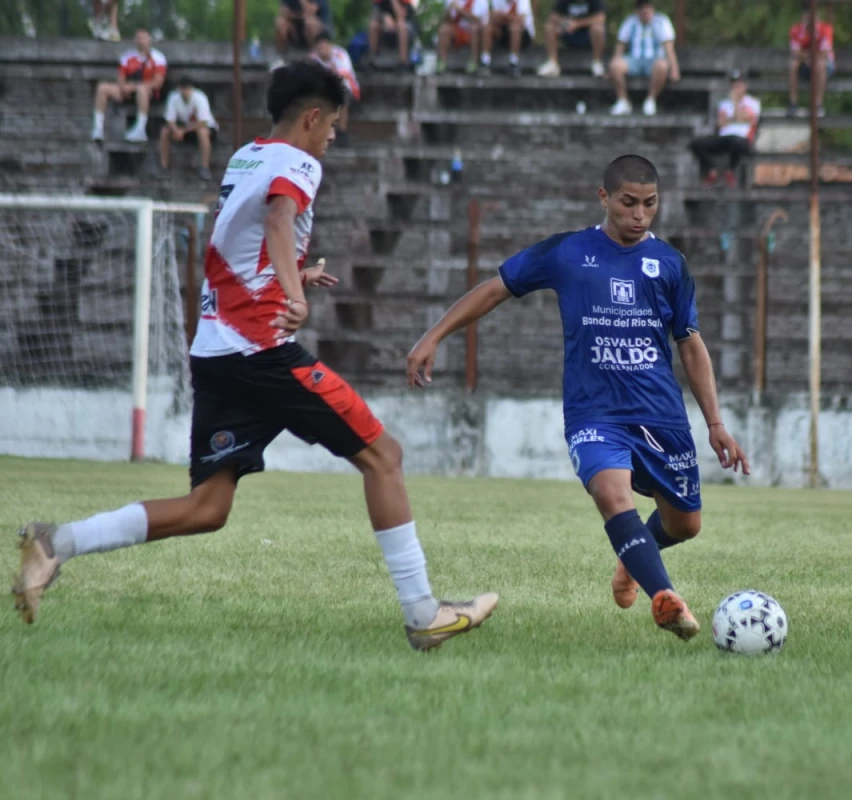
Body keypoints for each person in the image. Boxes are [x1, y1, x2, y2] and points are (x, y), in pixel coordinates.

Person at [15, 61, 499, 652]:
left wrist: (296, 271)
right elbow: (277, 216)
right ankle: (422, 613)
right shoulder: (300, 162)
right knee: (384, 456)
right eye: (334, 126)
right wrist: (294, 296)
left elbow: (238, 241)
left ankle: (54, 543)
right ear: (313, 117)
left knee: (207, 507)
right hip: (261, 351)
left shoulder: (247, 154)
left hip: (216, 350)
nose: (333, 137)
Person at [406, 155, 750, 642]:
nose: (639, 215)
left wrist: (715, 423)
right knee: (612, 495)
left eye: (650, 205)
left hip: (660, 413)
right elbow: (494, 289)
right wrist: (434, 335)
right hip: (595, 412)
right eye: (628, 203)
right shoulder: (568, 252)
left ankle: (631, 559)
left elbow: (690, 345)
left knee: (686, 524)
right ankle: (666, 599)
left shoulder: (670, 264)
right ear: (604, 197)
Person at [91, 29, 167, 144]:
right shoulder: (127, 56)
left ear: (149, 39)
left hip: (148, 94)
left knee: (142, 90)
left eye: (144, 38)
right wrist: (123, 87)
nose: (141, 41)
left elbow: (157, 82)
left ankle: (140, 129)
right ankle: (98, 128)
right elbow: (120, 77)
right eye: (138, 38)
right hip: (127, 91)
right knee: (103, 87)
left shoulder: (158, 57)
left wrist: (134, 87)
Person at [689, 69, 761, 187]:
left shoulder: (753, 103)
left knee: (737, 143)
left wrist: (736, 104)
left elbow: (746, 119)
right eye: (734, 84)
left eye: (739, 84)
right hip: (724, 137)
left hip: (742, 139)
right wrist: (737, 117)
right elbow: (722, 123)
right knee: (696, 143)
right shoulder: (724, 103)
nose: (736, 87)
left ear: (745, 85)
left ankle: (730, 170)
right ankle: (712, 169)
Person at [609, 0, 679, 117]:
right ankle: (623, 100)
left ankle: (650, 100)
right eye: (643, 12)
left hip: (655, 61)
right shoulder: (630, 22)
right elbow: (620, 46)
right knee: (615, 66)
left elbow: (669, 48)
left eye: (648, 11)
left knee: (662, 65)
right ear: (637, 12)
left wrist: (674, 69)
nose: (646, 15)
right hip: (634, 60)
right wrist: (612, 65)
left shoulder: (661, 21)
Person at [159, 77, 219, 180]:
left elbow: (203, 122)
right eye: (183, 88)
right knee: (164, 131)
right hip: (185, 129)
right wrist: (176, 131)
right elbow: (169, 119)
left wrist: (183, 131)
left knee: (202, 132)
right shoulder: (173, 97)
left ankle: (204, 167)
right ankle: (164, 167)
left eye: (187, 88)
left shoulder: (200, 97)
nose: (185, 91)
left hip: (205, 128)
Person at [537, 0, 607, 78]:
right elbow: (553, 16)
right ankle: (553, 63)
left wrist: (577, 24)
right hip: (569, 33)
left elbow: (601, 18)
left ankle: (597, 63)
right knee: (550, 26)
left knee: (598, 28)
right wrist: (565, 23)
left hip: (588, 36)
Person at [311, 32, 360, 141]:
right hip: (324, 89)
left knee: (341, 94)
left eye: (324, 46)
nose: (322, 49)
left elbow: (344, 75)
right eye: (319, 47)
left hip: (348, 88)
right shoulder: (313, 58)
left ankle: (342, 131)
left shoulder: (340, 54)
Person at [789, 11, 835, 118]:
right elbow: (795, 52)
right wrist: (807, 58)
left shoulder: (825, 30)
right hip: (806, 65)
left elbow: (824, 53)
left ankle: (818, 104)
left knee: (820, 64)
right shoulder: (796, 30)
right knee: (793, 64)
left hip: (824, 66)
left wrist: (809, 57)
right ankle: (793, 102)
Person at [481, 0, 535, 76]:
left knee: (515, 27)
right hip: (504, 33)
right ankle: (485, 62)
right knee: (488, 28)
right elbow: (492, 17)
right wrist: (504, 18)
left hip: (523, 36)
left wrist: (503, 17)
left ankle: (513, 63)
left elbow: (520, 20)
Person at [437, 0, 488, 74]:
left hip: (475, 32)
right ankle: (442, 62)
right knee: (443, 29)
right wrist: (448, 10)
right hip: (457, 31)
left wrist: (460, 10)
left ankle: (474, 62)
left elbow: (476, 20)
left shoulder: (480, 2)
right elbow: (446, 21)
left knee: (474, 28)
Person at [274, 0, 332, 64]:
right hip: (297, 26)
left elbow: (310, 12)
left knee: (310, 22)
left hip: (320, 29)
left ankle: (313, 57)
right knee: (280, 22)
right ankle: (282, 57)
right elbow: (284, 12)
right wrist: (298, 17)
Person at [368, 0, 414, 70]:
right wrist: (384, 17)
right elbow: (375, 15)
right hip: (384, 25)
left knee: (401, 26)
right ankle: (372, 59)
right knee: (373, 26)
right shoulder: (380, 2)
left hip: (405, 26)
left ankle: (403, 62)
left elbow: (402, 16)